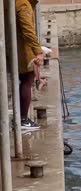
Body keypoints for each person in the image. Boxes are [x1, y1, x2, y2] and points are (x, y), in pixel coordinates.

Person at [16, 0, 44, 129]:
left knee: (24, 81)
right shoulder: (23, 4)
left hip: (17, 46)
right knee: (28, 79)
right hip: (22, 49)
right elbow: (27, 30)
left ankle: (21, 118)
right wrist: (38, 51)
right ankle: (23, 119)